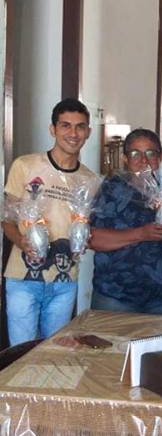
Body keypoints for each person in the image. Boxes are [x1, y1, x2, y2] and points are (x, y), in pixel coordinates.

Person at [2, 98, 93, 344]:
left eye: (80, 127)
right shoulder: (25, 165)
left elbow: (85, 224)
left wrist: (84, 238)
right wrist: (21, 241)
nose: (73, 133)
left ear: (88, 132)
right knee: (22, 351)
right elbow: (6, 219)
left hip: (65, 281)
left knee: (55, 350)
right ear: (53, 129)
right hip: (22, 278)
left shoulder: (89, 180)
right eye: (65, 125)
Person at [89, 128, 162, 315]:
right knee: (110, 336)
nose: (143, 160)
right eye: (135, 153)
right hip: (116, 295)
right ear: (125, 158)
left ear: (160, 157)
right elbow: (92, 239)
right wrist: (141, 234)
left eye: (150, 153)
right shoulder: (111, 189)